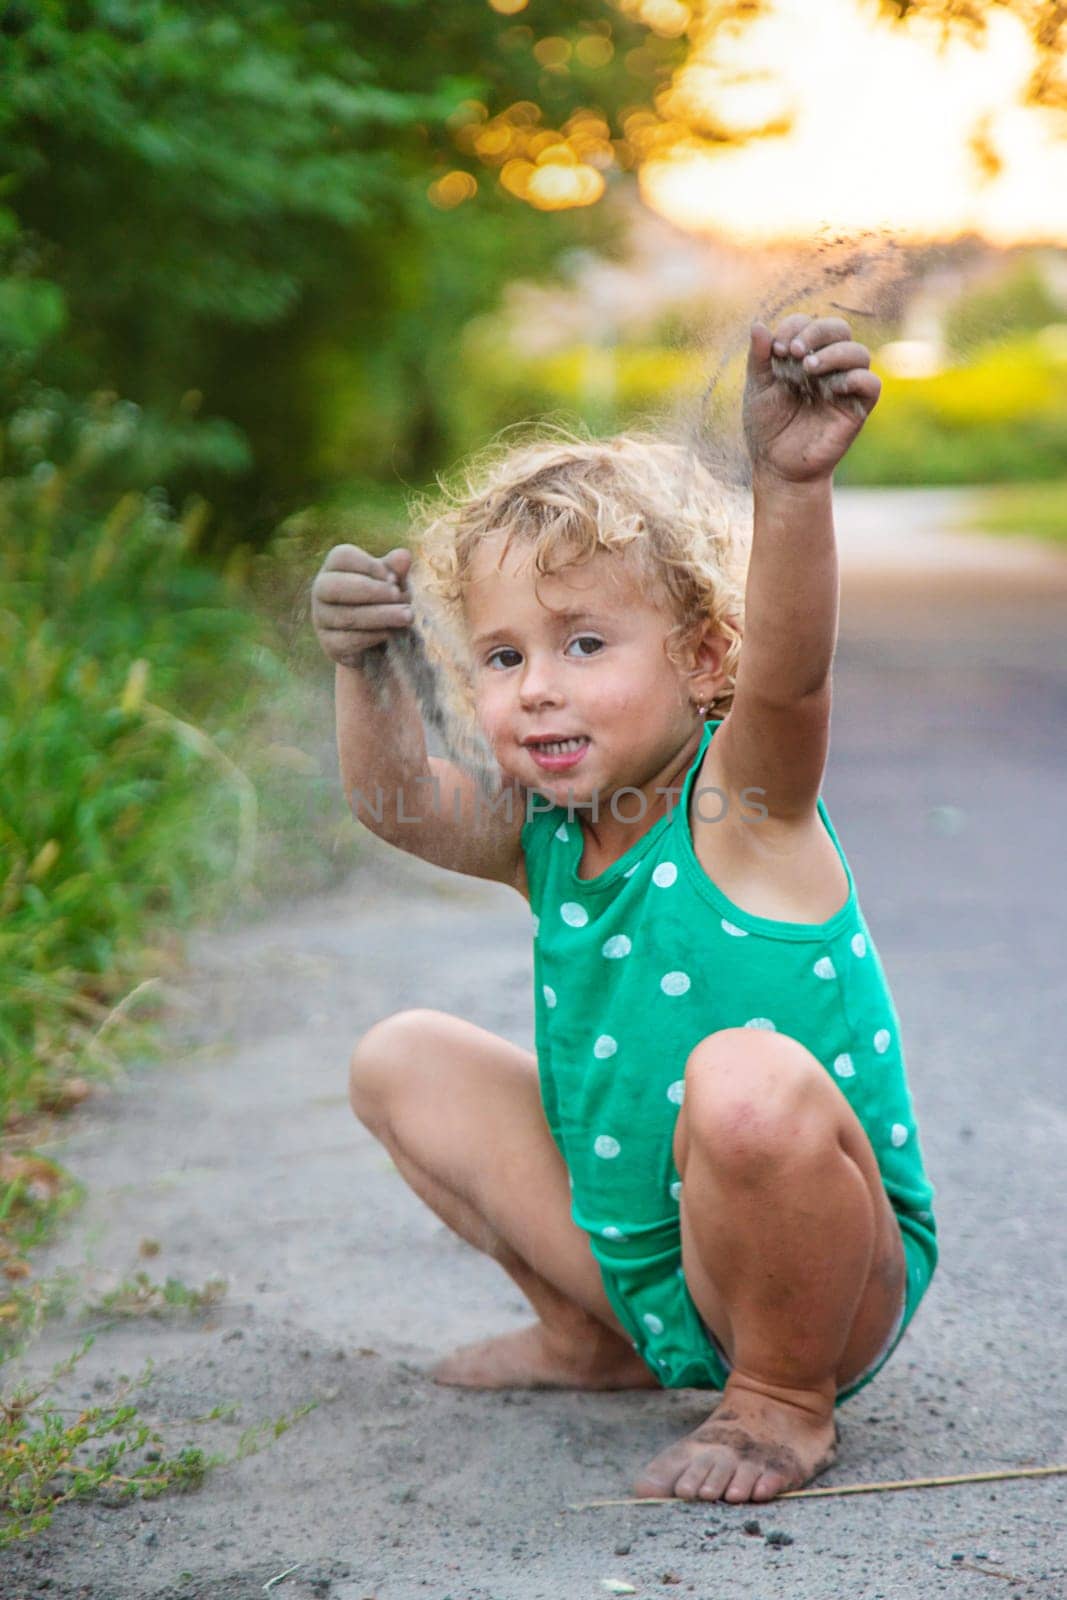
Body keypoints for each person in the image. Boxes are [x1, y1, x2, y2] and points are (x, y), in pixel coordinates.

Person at [310, 315, 938, 1504]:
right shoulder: (541, 836)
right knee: (402, 1058)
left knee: (743, 1081)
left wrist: (789, 483)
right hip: (642, 1267)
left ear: (704, 659)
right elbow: (399, 803)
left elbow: (791, 676)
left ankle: (778, 1402)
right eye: (499, 658)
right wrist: (364, 666)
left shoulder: (740, 803)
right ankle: (589, 1338)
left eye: (583, 642)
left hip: (825, 1279)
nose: (536, 685)